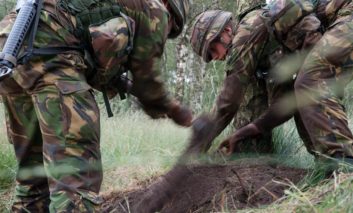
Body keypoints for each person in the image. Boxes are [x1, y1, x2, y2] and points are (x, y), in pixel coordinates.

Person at [0, 0, 192, 212]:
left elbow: (93, 55)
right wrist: (174, 110)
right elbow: (147, 79)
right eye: (170, 27)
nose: (165, 30)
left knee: (34, 184)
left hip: (12, 49)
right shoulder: (154, 8)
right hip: (49, 55)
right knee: (75, 188)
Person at [191, 0, 353, 169]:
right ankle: (328, 166)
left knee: (310, 79)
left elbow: (229, 100)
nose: (215, 58)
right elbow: (284, 106)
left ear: (226, 31)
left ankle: (343, 163)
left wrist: (197, 147)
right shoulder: (271, 49)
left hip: (347, 12)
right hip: (339, 26)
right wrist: (243, 133)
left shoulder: (248, 29)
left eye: (212, 50)